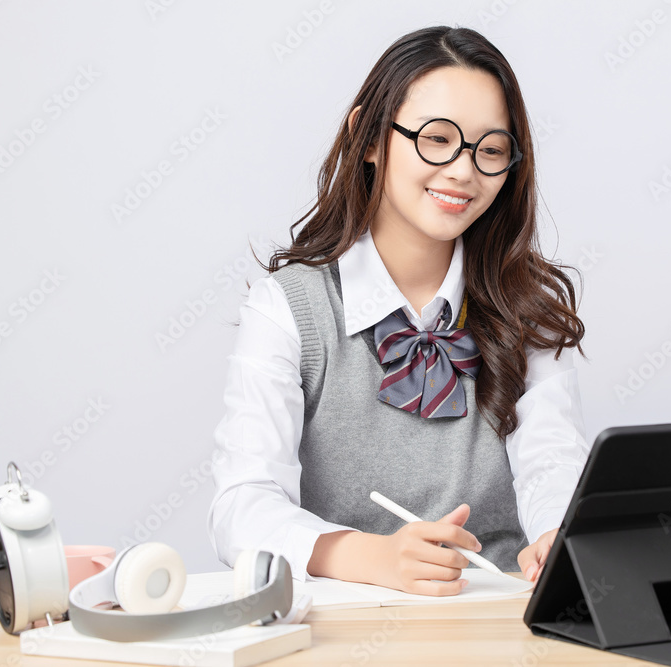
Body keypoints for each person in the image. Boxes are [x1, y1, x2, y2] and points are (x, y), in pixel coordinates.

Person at [207, 25, 589, 596]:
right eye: (437, 139)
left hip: (501, 618)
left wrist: (560, 533)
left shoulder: (524, 307)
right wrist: (368, 556)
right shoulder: (288, 309)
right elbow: (241, 504)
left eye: (490, 150)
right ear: (368, 136)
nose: (463, 171)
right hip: (344, 627)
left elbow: (551, 458)